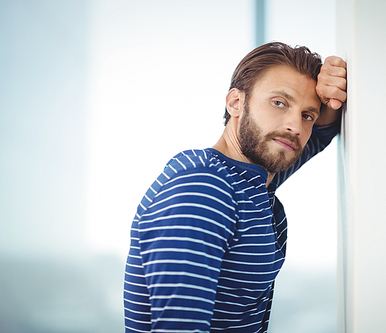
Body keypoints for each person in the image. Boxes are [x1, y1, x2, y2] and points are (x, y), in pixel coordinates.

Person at [124, 42, 347, 333]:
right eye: (279, 102)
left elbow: (319, 134)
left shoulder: (250, 179)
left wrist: (331, 93)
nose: (295, 126)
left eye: (307, 115)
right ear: (235, 103)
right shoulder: (204, 190)